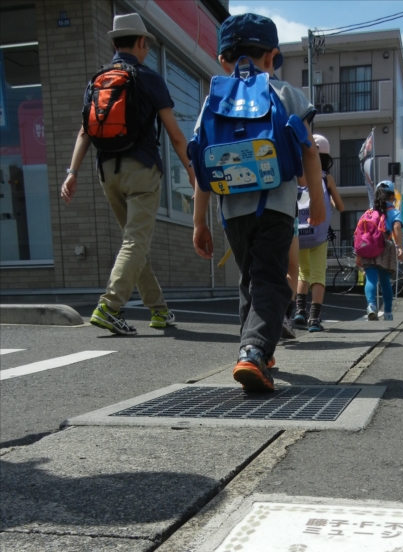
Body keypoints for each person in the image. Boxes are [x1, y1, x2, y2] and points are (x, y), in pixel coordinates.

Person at [192, 13, 325, 392]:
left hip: (232, 214)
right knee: (272, 280)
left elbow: (201, 161)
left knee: (249, 280)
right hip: (277, 209)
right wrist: (316, 199)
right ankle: (253, 350)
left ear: (223, 61)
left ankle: (258, 352)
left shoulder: (212, 101)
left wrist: (199, 222)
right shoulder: (284, 93)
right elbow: (310, 153)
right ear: (272, 57)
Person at [61, 13, 195, 335]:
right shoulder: (147, 77)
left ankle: (159, 310)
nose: (147, 50)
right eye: (146, 44)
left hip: (107, 172)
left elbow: (84, 132)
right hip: (142, 170)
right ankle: (110, 305)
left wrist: (71, 172)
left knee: (135, 241)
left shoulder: (98, 80)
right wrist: (192, 170)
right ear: (140, 42)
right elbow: (176, 135)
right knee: (136, 240)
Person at [294, 134, 344, 333]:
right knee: (317, 275)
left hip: (298, 233)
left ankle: (299, 311)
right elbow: (340, 206)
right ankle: (314, 319)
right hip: (318, 234)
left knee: (301, 272)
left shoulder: (297, 175)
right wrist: (330, 200)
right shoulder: (326, 178)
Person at [357, 180, 403, 321]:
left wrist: (358, 254)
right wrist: (400, 247)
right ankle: (388, 313)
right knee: (385, 281)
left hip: (368, 246)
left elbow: (359, 233)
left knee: (370, 279)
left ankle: (371, 306)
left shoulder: (369, 213)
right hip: (384, 247)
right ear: (391, 197)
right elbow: (396, 227)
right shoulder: (394, 212)